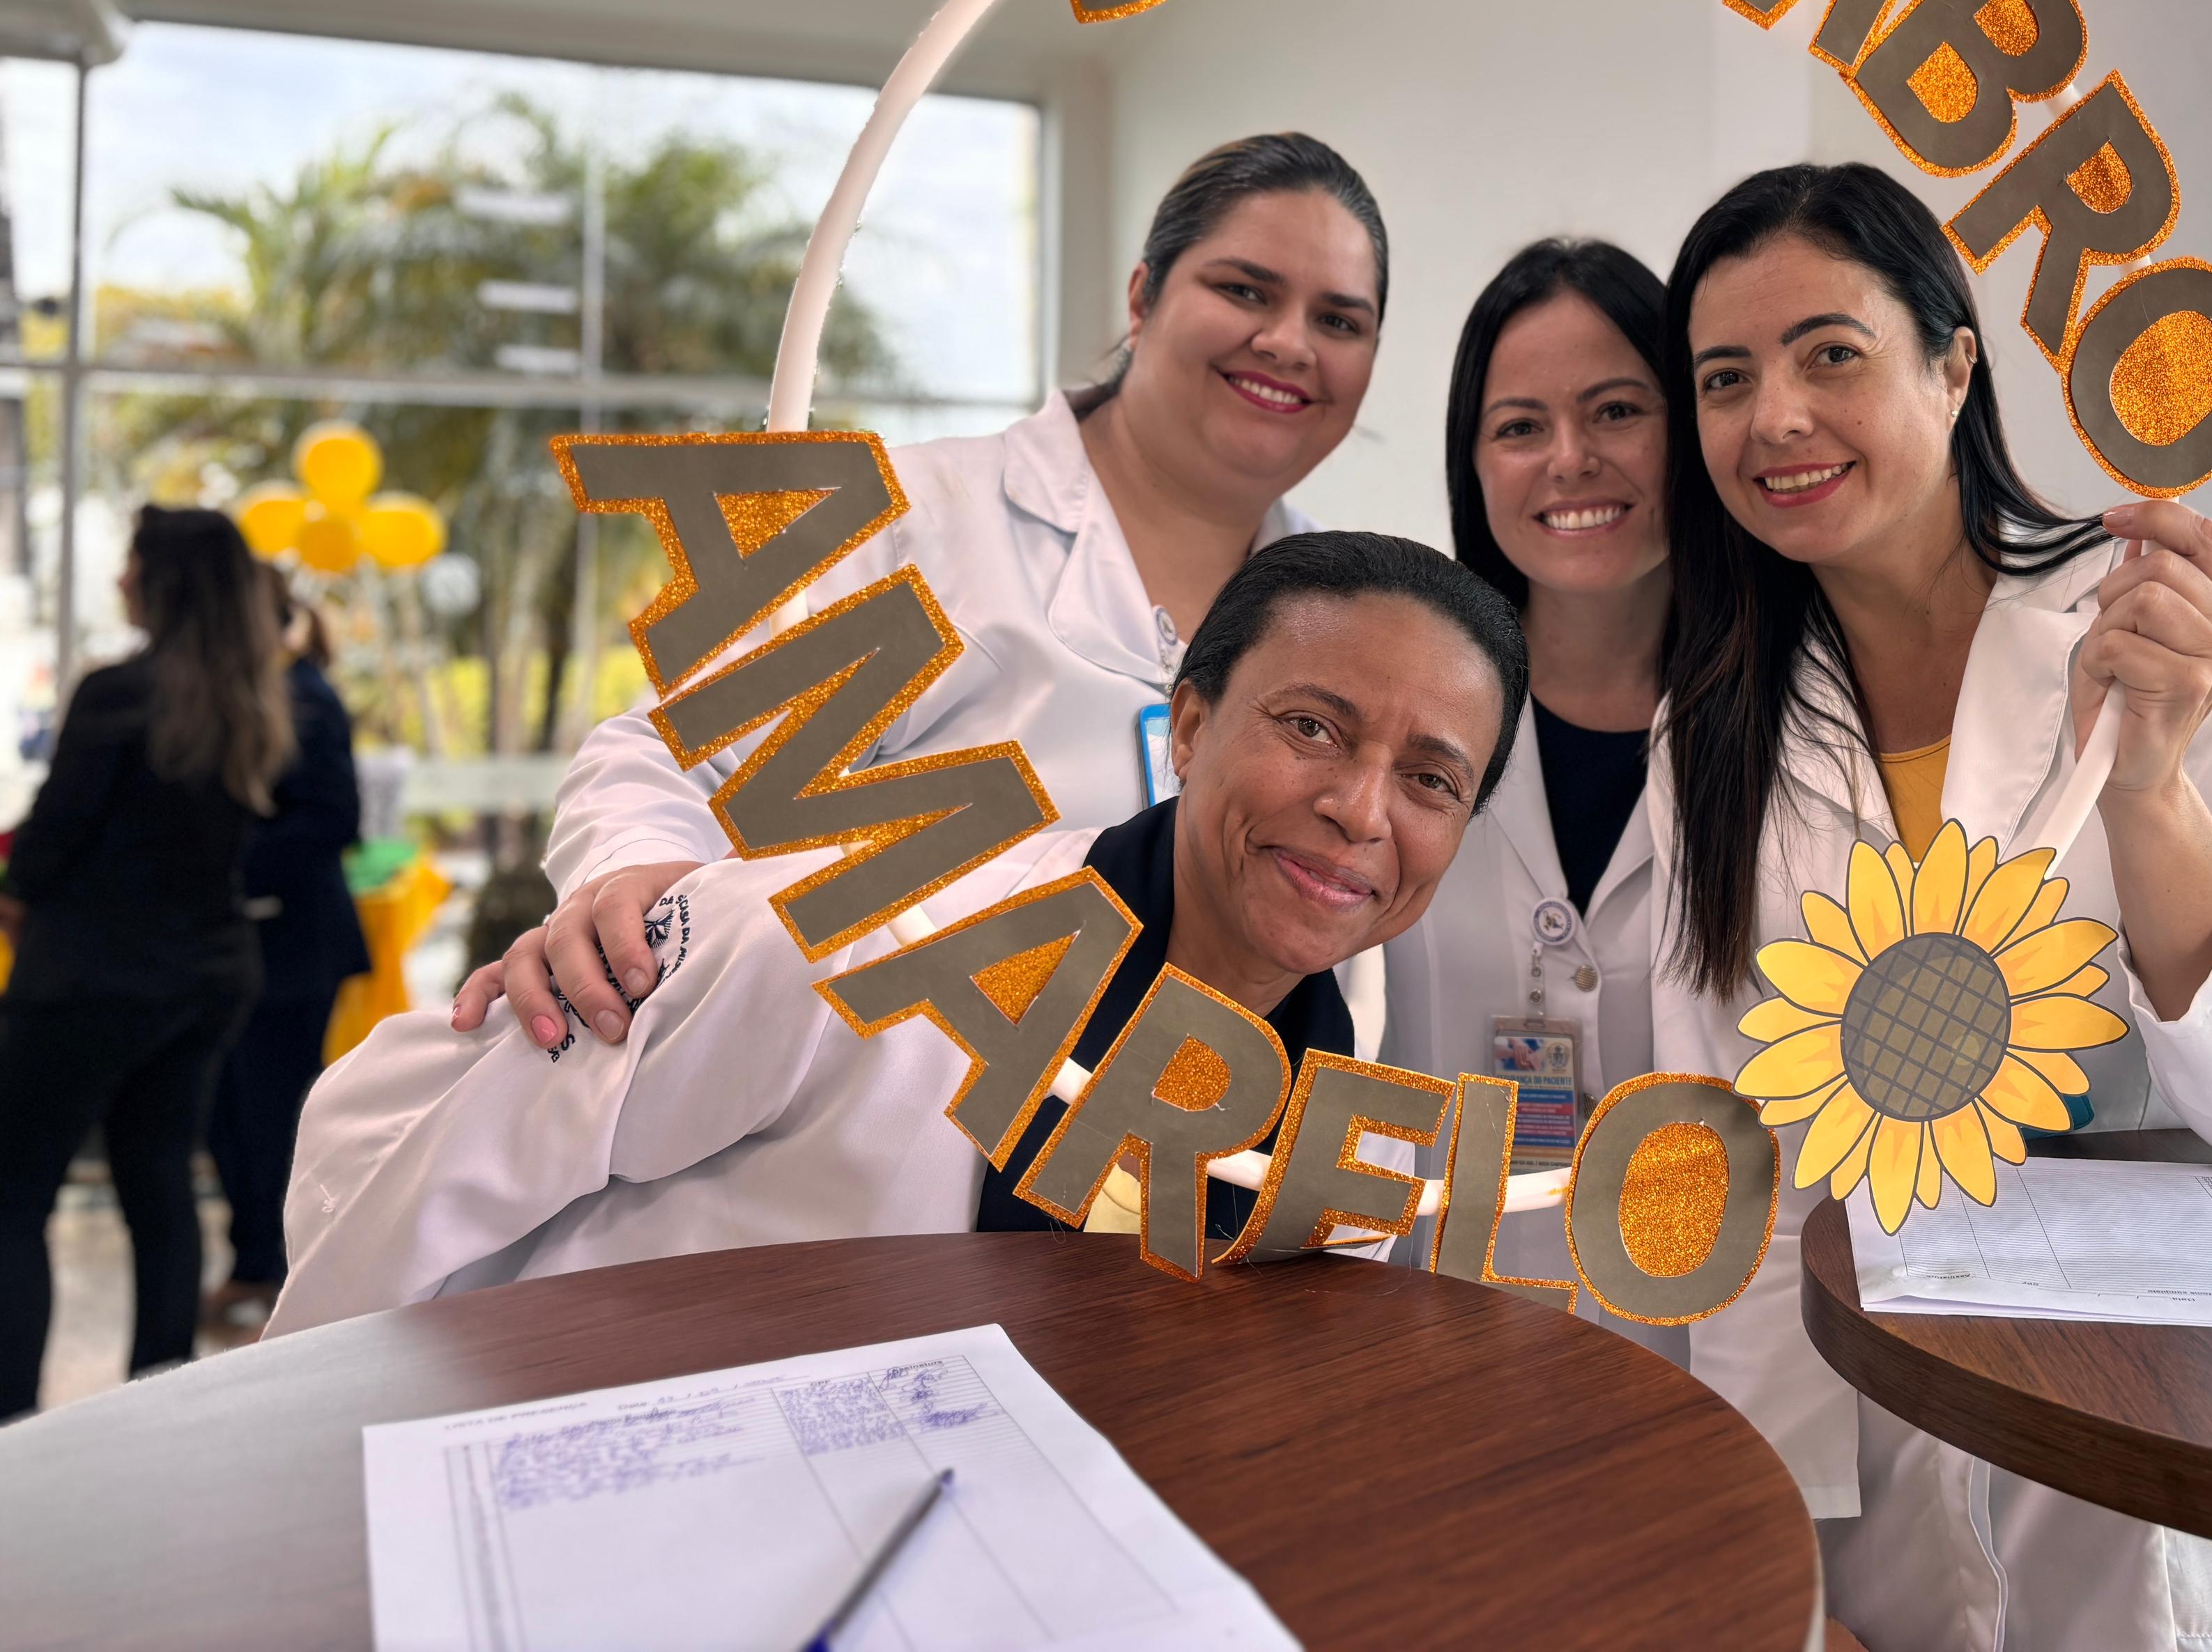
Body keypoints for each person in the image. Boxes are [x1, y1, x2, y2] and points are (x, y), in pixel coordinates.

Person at [1650, 164, 2212, 1652]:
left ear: (1954, 364)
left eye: (1829, 354)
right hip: (1881, 1467)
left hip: (2163, 1452)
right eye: (1725, 379)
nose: (1774, 417)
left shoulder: (2172, 618)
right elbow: (1738, 1159)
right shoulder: (1713, 725)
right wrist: (1774, 1562)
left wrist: (2148, 791)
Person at [269, 532, 1524, 1334]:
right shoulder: (865, 932)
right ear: (1189, 728)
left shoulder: (1344, 1146)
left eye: (1431, 780)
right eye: (1312, 727)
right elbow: (403, 1135)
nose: (1361, 810)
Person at [509, 132, 1397, 1060]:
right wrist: (635, 891)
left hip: (1200, 1129)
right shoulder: (917, 523)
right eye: (1244, 291)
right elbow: (675, 760)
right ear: (1143, 298)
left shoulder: (1354, 621)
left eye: (1339, 322)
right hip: (872, 1126)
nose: (1288, 343)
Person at [1379, 238, 1677, 1352]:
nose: (1570, 459)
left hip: (1713, 1340)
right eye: (1519, 427)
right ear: (1474, 463)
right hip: (1450, 1329)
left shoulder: (1797, 731)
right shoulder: (1404, 716)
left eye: (1617, 412)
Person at [0, 507, 297, 1417]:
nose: (120, 578)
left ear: (164, 580)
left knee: (13, 1198)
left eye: (132, 562)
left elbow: (53, 840)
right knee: (160, 1189)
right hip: (203, 975)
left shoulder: (118, 692)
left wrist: (18, 887)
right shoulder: (248, 698)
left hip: (91, 978)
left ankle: (13, 1425)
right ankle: (161, 1412)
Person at [205, 569, 368, 1329]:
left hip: (296, 946)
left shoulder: (305, 696)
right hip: (250, 944)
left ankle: (280, 1275)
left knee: (274, 1117)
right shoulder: (249, 694)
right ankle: (252, 1265)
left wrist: (225, 858)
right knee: (231, 1118)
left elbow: (335, 817)